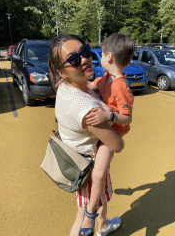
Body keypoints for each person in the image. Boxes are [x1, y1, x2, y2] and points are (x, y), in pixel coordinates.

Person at [48, 34, 125, 236]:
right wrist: (115, 116)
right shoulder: (86, 108)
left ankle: (103, 226)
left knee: (101, 199)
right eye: (74, 60)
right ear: (61, 72)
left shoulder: (66, 87)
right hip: (88, 169)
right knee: (82, 215)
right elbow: (116, 144)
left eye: (85, 51)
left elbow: (88, 88)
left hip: (84, 160)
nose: (84, 59)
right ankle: (96, 226)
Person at [85, 33, 136, 235]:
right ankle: (103, 224)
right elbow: (89, 86)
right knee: (102, 179)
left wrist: (108, 115)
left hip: (112, 134)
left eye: (101, 54)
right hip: (103, 130)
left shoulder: (121, 86)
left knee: (99, 175)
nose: (99, 58)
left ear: (109, 57)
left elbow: (127, 117)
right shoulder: (105, 78)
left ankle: (94, 217)